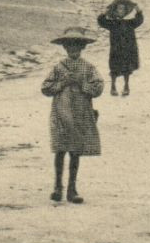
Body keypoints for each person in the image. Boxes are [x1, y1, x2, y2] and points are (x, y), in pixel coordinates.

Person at [41, 26, 105, 204]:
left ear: (82, 48)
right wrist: (62, 83)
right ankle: (57, 187)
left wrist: (82, 84)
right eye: (70, 47)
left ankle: (72, 189)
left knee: (75, 151)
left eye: (77, 47)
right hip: (60, 114)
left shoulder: (88, 68)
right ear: (65, 48)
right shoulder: (58, 68)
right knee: (60, 150)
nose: (73, 50)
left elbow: (98, 88)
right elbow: (45, 88)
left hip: (80, 114)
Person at [95, 0, 145, 97]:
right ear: (116, 11)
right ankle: (113, 87)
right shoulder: (112, 23)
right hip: (116, 50)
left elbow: (139, 19)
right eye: (119, 9)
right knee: (114, 68)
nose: (121, 11)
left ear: (125, 11)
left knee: (127, 69)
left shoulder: (130, 23)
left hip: (128, 49)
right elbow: (101, 21)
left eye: (123, 9)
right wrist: (105, 11)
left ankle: (126, 86)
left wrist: (138, 9)